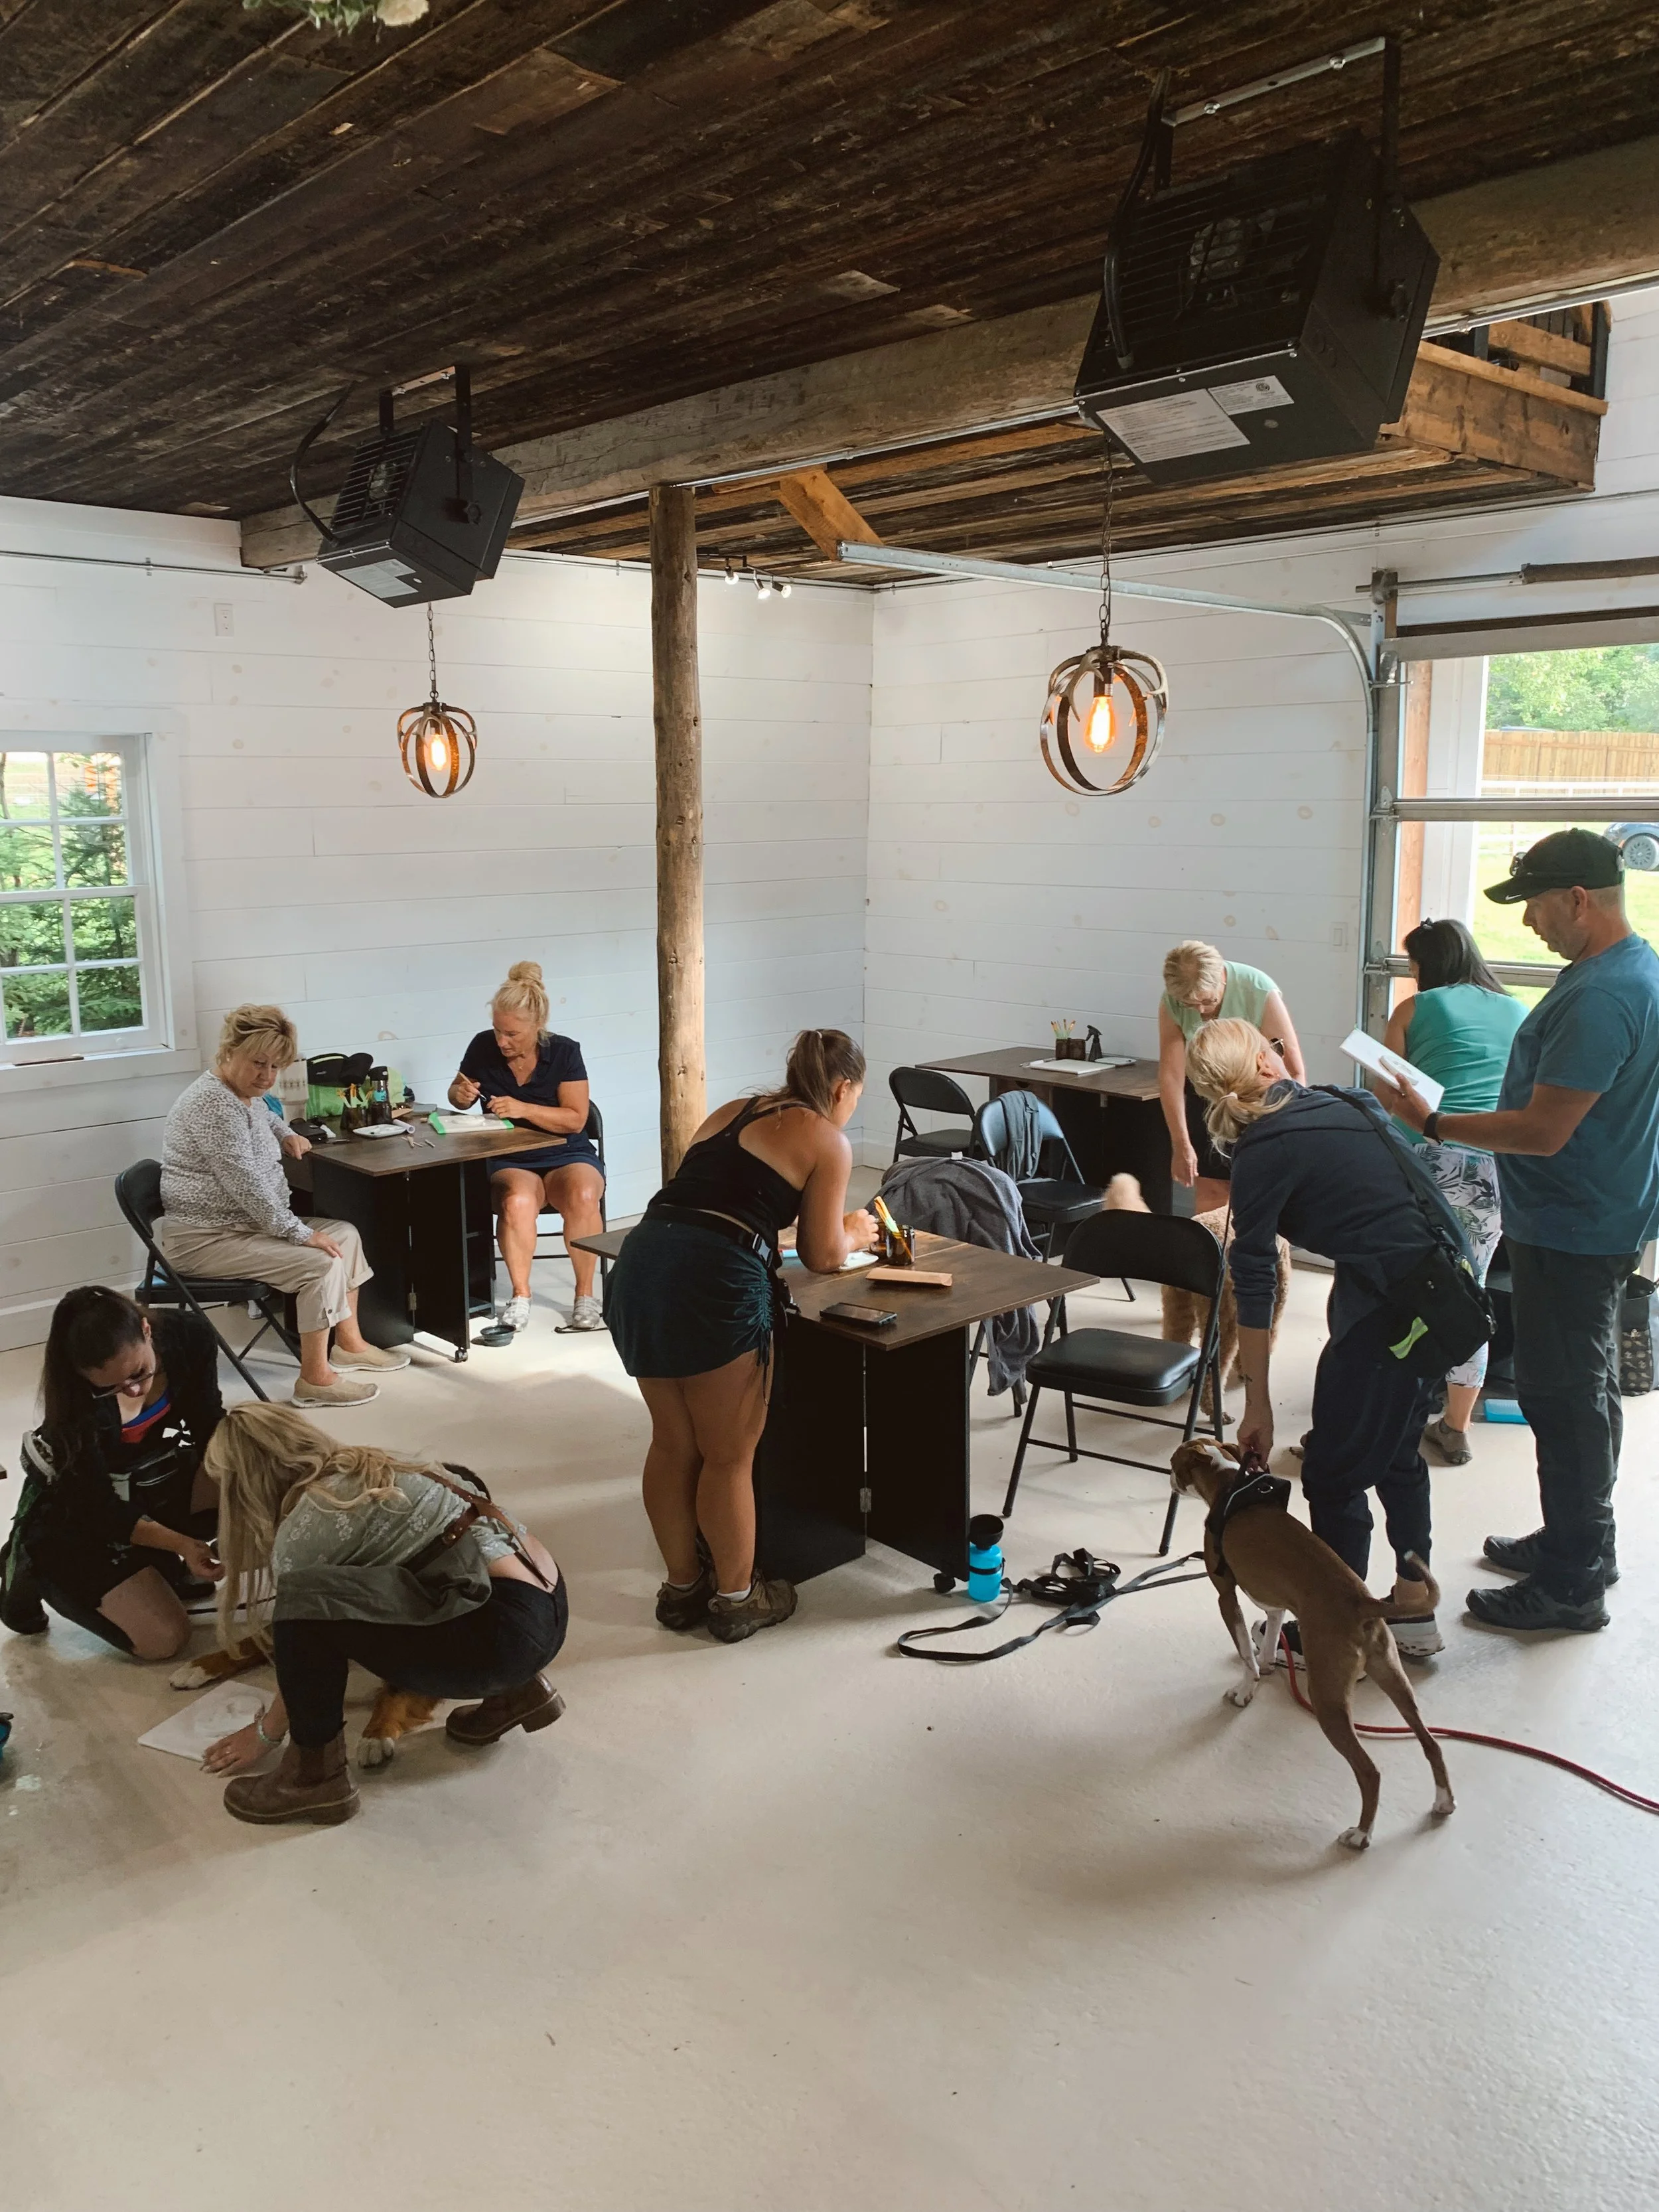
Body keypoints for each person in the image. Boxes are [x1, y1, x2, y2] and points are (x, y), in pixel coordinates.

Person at [1380, 830, 1659, 1636]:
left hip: (1575, 1225)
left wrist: (1434, 1122)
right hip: (1593, 1213)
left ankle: (1573, 1582)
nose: (1528, 923)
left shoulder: (1604, 995)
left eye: (1534, 905)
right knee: (1585, 1387)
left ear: (1577, 899)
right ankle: (1581, 1544)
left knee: (1562, 1398)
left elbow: (1542, 1130)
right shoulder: (1622, 971)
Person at [1188, 1018, 1471, 1659]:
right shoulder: (1352, 1099)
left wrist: (1257, 1402)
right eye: (1274, 1047)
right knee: (1397, 1454)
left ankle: (1342, 1633)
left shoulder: (1262, 1150)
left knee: (1333, 1475)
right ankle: (1412, 1607)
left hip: (1393, 1312)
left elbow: (1252, 1282)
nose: (1280, 1053)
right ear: (1267, 1064)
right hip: (1447, 1296)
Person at [604, 1027, 877, 1643]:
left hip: (642, 1262)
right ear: (842, 1088)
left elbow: (712, 1198)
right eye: (856, 1098)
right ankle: (736, 1598)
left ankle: (682, 1588)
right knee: (728, 1455)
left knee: (673, 1443)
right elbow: (823, 1255)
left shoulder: (732, 1111)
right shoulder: (827, 1139)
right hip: (714, 1281)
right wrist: (856, 1231)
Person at [197, 1403, 568, 1826]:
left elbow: (302, 1626)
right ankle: (520, 1692)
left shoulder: (301, 1532)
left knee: (302, 1611)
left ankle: (312, 1778)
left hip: (503, 1642)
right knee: (439, 1556)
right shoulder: (376, 1464)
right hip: (547, 1599)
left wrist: (266, 1733)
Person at [157, 1004, 405, 1406]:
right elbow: (247, 1187)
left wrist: (285, 1132)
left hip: (241, 1227)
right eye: (259, 1063)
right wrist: (299, 1233)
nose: (267, 1077)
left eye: (275, 1066)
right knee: (319, 1262)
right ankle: (315, 1381)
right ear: (229, 1051)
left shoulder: (240, 1093)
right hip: (204, 1239)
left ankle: (349, 1345)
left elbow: (263, 1114)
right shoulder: (214, 1106)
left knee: (345, 1235)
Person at [0, 1288, 225, 1657]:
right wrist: (182, 1544)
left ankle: (157, 1563)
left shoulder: (190, 1334)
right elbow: (97, 1509)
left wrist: (242, 1503)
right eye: (110, 1389)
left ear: (147, 1330)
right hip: (78, 1515)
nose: (134, 1391)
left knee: (243, 1470)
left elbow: (209, 1425)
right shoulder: (71, 1403)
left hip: (147, 1477)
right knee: (164, 1639)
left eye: (139, 1373)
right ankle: (28, 1562)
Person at [1381, 918, 1526, 1463]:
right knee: (1471, 1291)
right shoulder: (1518, 1011)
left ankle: (1388, 1414)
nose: (1413, 974)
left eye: (1414, 965)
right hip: (1494, 1167)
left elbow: (1387, 1094)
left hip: (1425, 1161)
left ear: (1428, 965)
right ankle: (1455, 1426)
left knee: (1398, 1285)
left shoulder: (1414, 1010)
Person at [449, 962, 606, 1334]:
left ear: (538, 1026)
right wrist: (460, 1094)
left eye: (512, 1034)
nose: (502, 1041)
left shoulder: (565, 1052)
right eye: (497, 1030)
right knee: (516, 1201)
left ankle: (585, 1295)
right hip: (510, 1157)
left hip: (567, 1152)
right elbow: (456, 1095)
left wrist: (524, 1109)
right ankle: (521, 1295)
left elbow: (576, 1119)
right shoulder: (482, 1046)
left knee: (583, 1194)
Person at [1158, 941, 1306, 1214]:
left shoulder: (1258, 989)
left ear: (1222, 978)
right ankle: (1210, 1242)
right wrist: (1181, 1144)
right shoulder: (1174, 999)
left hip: (1261, 1099)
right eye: (1189, 1004)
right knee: (1211, 1189)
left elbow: (1293, 1070)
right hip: (1210, 1095)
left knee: (1259, 1191)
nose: (1200, 1012)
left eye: (1208, 1001)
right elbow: (1171, 1076)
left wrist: (1291, 1132)